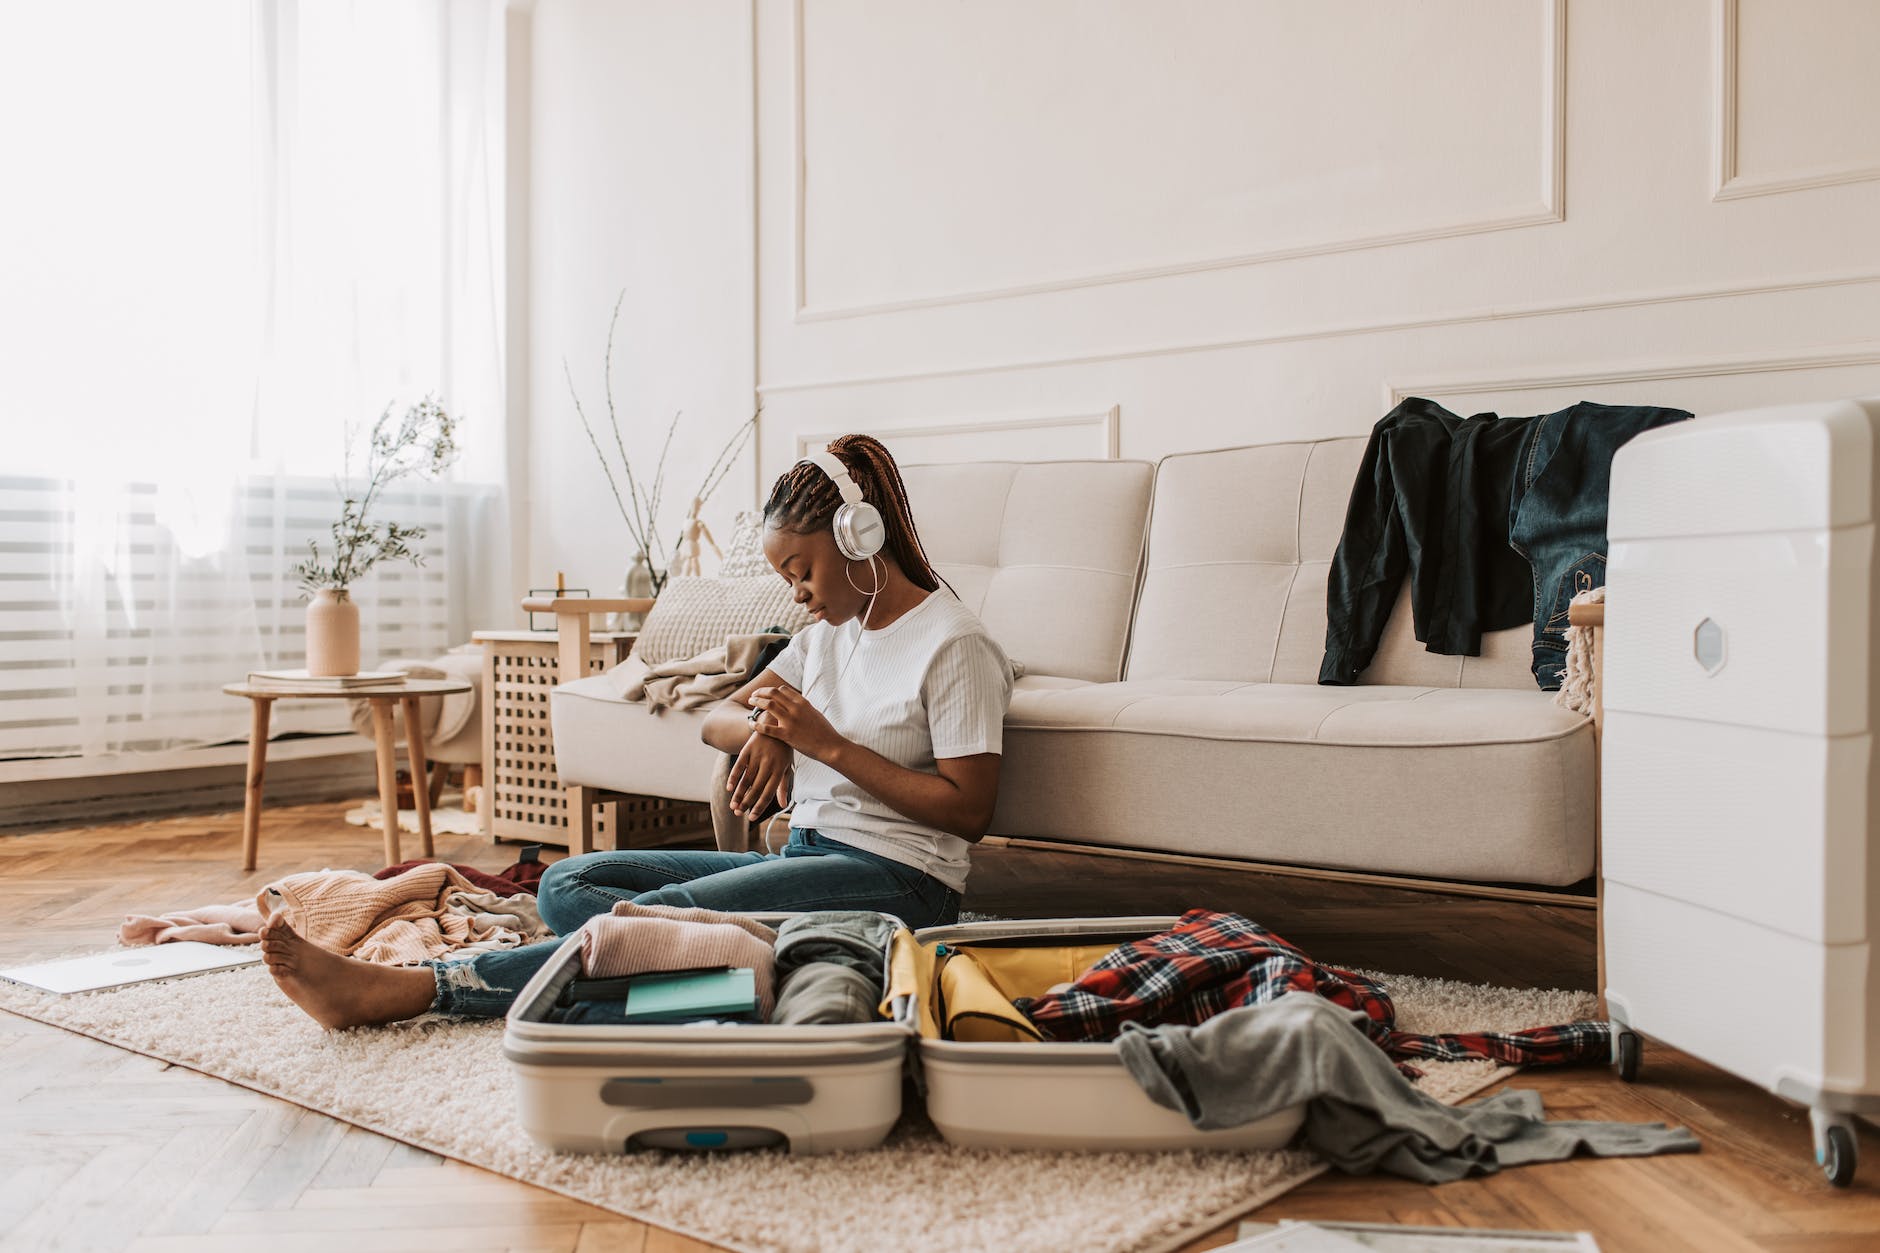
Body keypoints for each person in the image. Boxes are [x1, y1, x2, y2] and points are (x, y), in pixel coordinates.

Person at [260, 434, 1014, 1029]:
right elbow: (719, 717)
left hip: (898, 880)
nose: (797, 592)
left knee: (664, 919)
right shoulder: (828, 635)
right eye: (785, 574)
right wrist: (772, 733)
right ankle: (704, 983)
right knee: (568, 881)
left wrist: (825, 744)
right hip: (812, 851)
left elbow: (969, 811)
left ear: (858, 539)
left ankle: (423, 990)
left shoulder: (953, 645)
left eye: (802, 569)